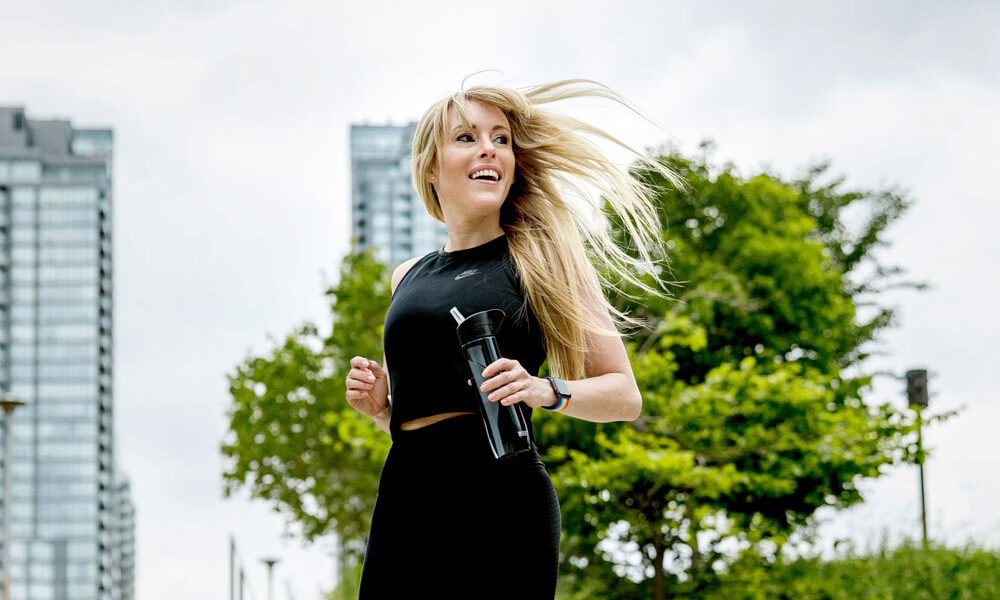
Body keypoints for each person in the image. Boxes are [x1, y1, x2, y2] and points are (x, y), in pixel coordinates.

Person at [345, 77, 681, 599]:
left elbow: (624, 395)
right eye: (467, 137)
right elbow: (421, 419)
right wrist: (381, 408)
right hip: (407, 498)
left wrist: (545, 390)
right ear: (431, 166)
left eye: (501, 139)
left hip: (502, 498)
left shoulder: (545, 260)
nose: (489, 149)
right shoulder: (406, 276)